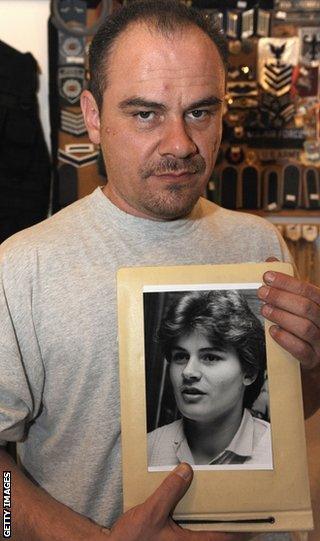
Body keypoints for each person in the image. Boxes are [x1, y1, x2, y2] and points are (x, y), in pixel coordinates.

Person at [0, 1, 319, 540]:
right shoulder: (22, 267)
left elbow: (283, 416)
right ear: (95, 117)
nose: (180, 144)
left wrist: (312, 366)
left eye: (200, 111)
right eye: (145, 113)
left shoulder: (258, 243)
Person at [148, 290, 272, 468]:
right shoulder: (148, 448)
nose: (188, 372)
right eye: (181, 356)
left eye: (210, 357)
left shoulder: (277, 450)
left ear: (249, 373)